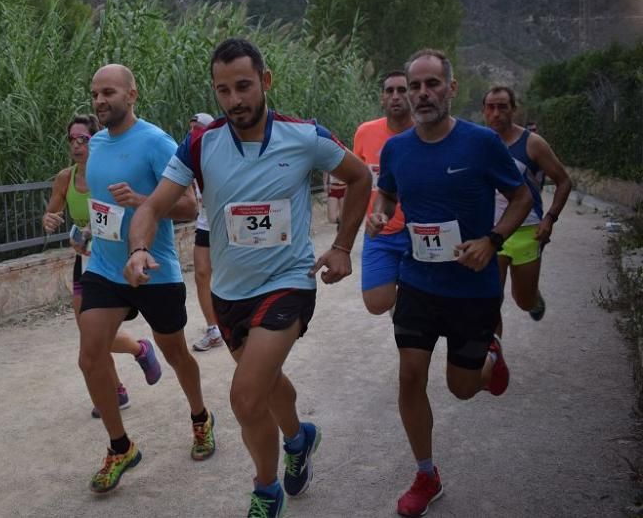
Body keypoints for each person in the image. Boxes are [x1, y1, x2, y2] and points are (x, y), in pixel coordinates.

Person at [124, 38, 371, 518]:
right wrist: (137, 248)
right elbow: (153, 206)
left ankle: (265, 490)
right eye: (223, 90)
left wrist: (342, 246)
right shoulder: (201, 143)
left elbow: (361, 177)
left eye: (243, 86)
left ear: (265, 81)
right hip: (229, 294)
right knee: (268, 382)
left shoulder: (304, 137)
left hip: (288, 283)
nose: (235, 100)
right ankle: (299, 439)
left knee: (244, 394)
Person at [367, 49, 532, 518]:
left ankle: (489, 358)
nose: (421, 94)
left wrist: (493, 240)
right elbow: (388, 192)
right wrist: (381, 213)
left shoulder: (480, 143)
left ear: (451, 89)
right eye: (414, 85)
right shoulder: (396, 148)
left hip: (472, 288)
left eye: (431, 84)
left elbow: (521, 196)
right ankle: (426, 473)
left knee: (461, 388)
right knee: (410, 374)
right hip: (418, 281)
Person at [79, 64, 213, 495]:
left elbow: (190, 207)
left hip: (154, 269)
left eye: (110, 92)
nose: (101, 101)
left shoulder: (157, 142)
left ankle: (200, 416)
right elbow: (101, 209)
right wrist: (88, 233)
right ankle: (121, 447)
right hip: (104, 266)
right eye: (96, 93)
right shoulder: (96, 144)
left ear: (132, 94)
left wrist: (144, 202)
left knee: (175, 352)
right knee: (90, 354)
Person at [42, 115, 156, 418]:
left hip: (114, 258)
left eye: (84, 139)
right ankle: (117, 388)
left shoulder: (107, 173)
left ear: (97, 140)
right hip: (86, 261)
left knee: (99, 335)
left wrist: (95, 231)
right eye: (72, 139)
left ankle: (140, 349)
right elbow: (51, 211)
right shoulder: (65, 178)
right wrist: (49, 219)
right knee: (89, 335)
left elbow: (124, 213)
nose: (77, 145)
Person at [482, 86, 572, 325]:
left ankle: (534, 299)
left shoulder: (532, 144)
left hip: (528, 231)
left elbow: (564, 181)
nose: (496, 113)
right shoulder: (478, 143)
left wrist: (550, 219)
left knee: (523, 300)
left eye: (502, 107)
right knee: (491, 301)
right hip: (494, 232)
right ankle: (492, 355)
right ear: (484, 111)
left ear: (514, 110)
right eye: (491, 107)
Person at [353, 70, 414, 315]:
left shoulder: (426, 133)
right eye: (390, 91)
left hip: (418, 232)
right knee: (376, 304)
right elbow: (356, 182)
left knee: (420, 308)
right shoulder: (365, 133)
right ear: (382, 98)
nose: (396, 96)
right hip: (381, 231)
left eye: (402, 90)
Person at [188, 112, 224, 352]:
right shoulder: (190, 157)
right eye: (190, 129)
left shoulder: (224, 155)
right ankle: (213, 329)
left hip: (229, 225)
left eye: (197, 128)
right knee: (201, 274)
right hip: (205, 224)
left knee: (231, 275)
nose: (192, 133)